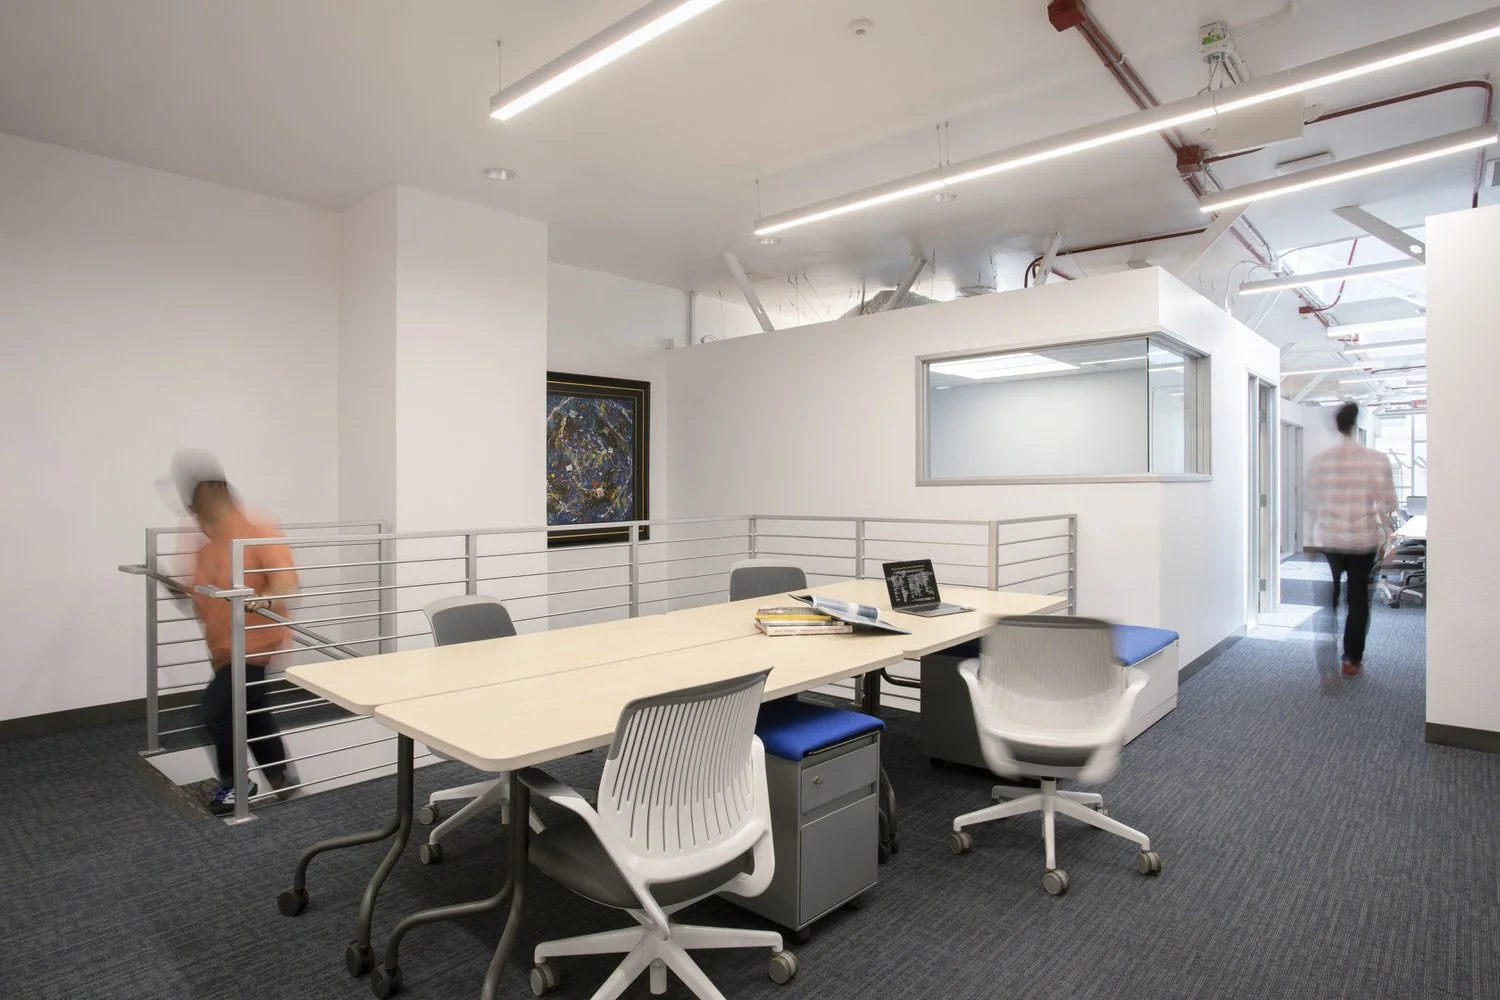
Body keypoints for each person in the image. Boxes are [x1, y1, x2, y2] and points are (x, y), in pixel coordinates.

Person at [172, 451, 299, 814]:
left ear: (217, 496)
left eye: (198, 506)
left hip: (254, 647)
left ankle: (236, 785)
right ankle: (281, 779)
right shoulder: (207, 546)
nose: (194, 515)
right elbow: (199, 597)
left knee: (214, 714)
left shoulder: (257, 530)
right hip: (224, 650)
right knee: (252, 713)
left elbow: (287, 582)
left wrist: (264, 600)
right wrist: (174, 589)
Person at [1306, 403, 1397, 678]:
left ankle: (1326, 665)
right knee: (1358, 603)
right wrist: (1388, 536)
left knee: (1329, 602)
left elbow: (1312, 503)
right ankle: (1350, 660)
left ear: (1336, 426)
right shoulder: (1376, 460)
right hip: (1362, 542)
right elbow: (1389, 503)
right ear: (1356, 425)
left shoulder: (1321, 461)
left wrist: (1311, 540)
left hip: (1329, 540)